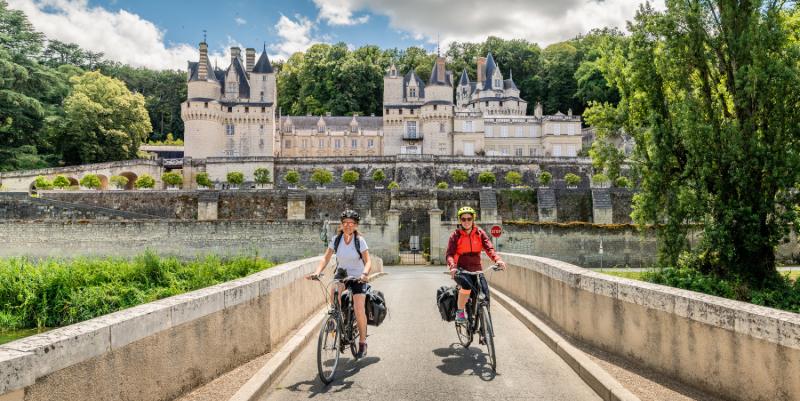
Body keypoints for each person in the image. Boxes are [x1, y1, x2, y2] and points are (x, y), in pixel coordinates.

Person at [307, 209, 372, 358]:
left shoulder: (359, 240)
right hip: (342, 274)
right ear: (341, 225)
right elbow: (326, 258)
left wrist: (364, 274)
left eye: (351, 223)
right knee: (334, 296)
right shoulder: (336, 239)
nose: (348, 225)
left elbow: (368, 261)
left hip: (358, 276)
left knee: (359, 308)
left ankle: (363, 342)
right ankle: (336, 321)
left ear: (356, 225)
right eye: (345, 223)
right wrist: (317, 272)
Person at [445, 206, 506, 324]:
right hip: (461, 269)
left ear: (473, 219)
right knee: (466, 286)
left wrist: (497, 260)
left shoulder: (479, 233)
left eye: (469, 218)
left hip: (477, 269)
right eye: (463, 219)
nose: (466, 221)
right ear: (460, 220)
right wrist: (452, 266)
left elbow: (489, 249)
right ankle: (460, 312)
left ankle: (484, 322)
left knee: (485, 293)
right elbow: (450, 254)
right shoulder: (455, 235)